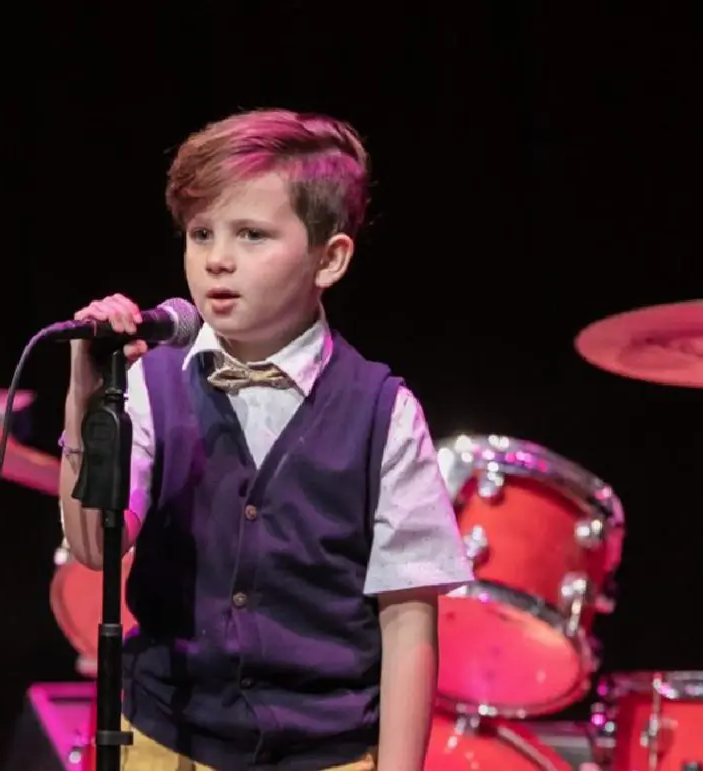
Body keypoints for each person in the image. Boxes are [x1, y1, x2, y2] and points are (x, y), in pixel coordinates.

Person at [59, 108, 474, 771]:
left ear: (330, 259)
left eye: (252, 234)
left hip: (323, 752)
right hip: (167, 741)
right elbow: (92, 542)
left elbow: (407, 617)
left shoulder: (382, 411)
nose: (218, 259)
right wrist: (87, 391)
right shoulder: (153, 382)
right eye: (201, 233)